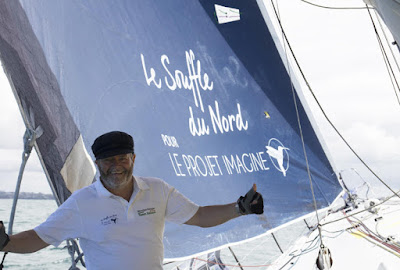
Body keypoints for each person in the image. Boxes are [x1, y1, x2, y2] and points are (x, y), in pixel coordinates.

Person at [0, 131, 264, 269]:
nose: (116, 166)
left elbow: (199, 216)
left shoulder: (157, 189)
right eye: (108, 160)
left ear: (133, 159)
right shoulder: (82, 203)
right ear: (97, 163)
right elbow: (40, 237)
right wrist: (6, 243)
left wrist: (240, 208)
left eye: (122, 158)